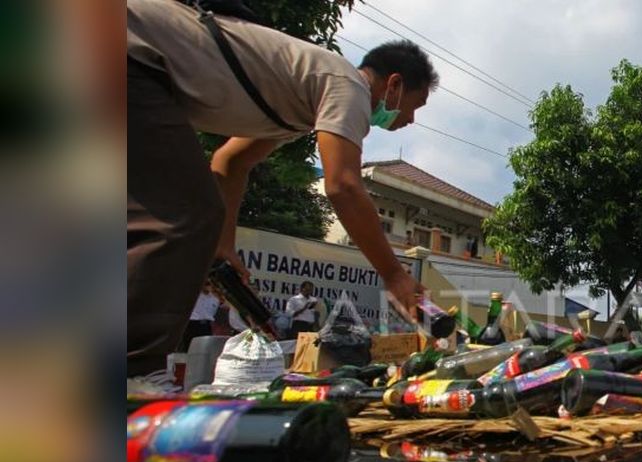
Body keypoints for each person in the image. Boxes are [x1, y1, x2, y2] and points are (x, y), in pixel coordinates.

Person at [127, 0, 435, 376]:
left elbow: (230, 163)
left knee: (169, 214)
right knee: (182, 213)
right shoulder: (348, 85)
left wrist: (223, 247)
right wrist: (395, 275)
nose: (410, 120)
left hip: (136, 59)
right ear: (394, 84)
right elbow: (343, 185)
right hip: (133, 57)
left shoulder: (297, 103)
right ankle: (132, 374)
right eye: (415, 105)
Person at [178, 280, 220, 351]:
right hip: (193, 324)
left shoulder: (215, 298)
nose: (208, 286)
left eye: (209, 284)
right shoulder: (195, 296)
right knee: (190, 348)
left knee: (205, 349)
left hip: (206, 326)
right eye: (206, 284)